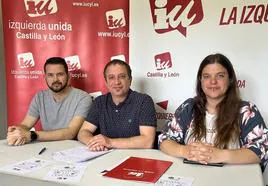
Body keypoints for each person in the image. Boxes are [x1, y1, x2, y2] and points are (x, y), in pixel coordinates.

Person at [159, 53, 268, 170]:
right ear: (200, 81)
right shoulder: (189, 106)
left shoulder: (246, 111)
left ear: (230, 79)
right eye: (206, 76)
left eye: (220, 76)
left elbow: (261, 149)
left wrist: (220, 155)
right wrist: (185, 151)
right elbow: (165, 140)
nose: (213, 82)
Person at [7, 57, 92, 146]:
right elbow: (26, 124)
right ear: (45, 77)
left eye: (60, 74)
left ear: (68, 75)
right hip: (46, 148)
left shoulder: (83, 98)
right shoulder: (40, 97)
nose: (55, 79)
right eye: (50, 75)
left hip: (73, 149)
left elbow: (70, 133)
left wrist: (32, 135)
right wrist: (17, 131)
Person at [78, 59, 157, 151]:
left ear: (130, 80)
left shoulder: (143, 101)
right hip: (106, 156)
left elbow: (147, 142)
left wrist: (110, 142)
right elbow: (83, 132)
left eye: (122, 76)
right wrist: (95, 143)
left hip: (136, 158)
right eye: (111, 77)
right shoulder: (100, 102)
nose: (117, 82)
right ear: (106, 82)